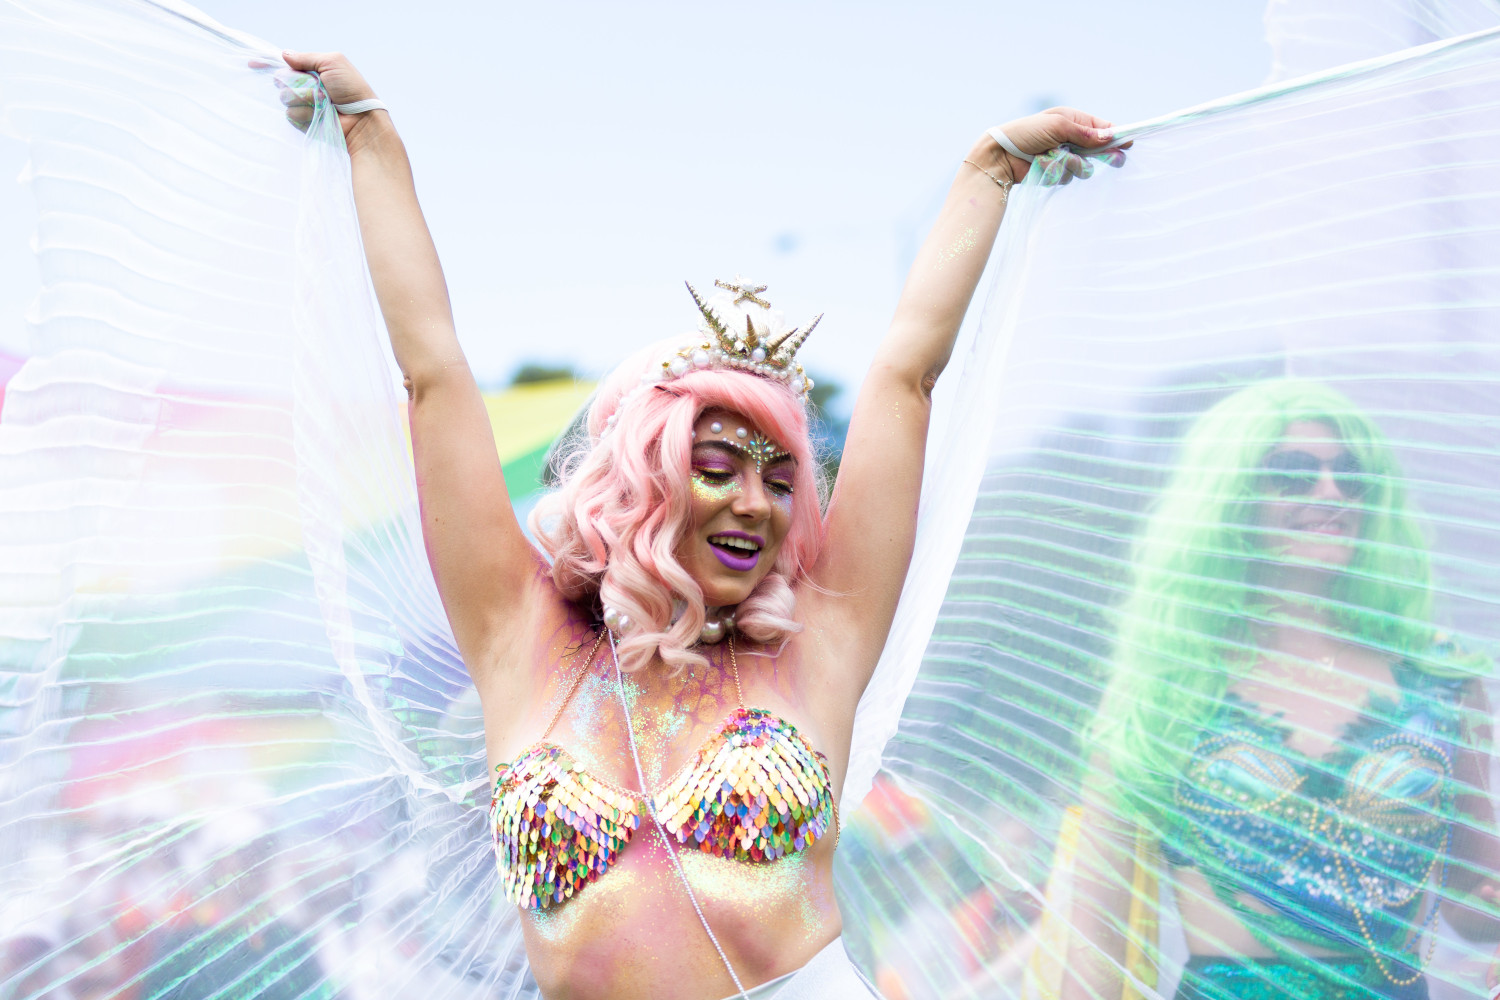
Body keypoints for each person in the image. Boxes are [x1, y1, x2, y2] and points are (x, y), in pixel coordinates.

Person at [275, 48, 1120, 1000]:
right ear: (641, 486)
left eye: (780, 478)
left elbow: (905, 380)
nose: (754, 504)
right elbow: (432, 374)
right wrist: (370, 135)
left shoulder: (821, 643)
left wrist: (990, 170)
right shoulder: (521, 639)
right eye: (716, 470)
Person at [1052, 380, 1500, 1000]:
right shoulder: (1164, 692)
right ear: (1229, 499)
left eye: (1351, 474)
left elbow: (1473, 903)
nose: (1330, 491)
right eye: (1292, 473)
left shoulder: (1441, 682)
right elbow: (1094, 933)